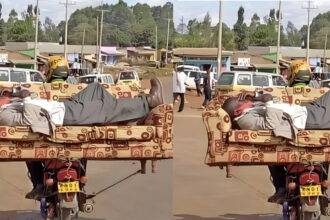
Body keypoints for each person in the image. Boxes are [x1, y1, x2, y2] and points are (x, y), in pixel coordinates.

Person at [222, 90, 330, 203]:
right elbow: (271, 124)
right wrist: (267, 102)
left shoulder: (249, 110)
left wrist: (257, 96)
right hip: (308, 119)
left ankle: (282, 188)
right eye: (242, 101)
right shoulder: (246, 120)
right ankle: (282, 189)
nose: (246, 100)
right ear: (237, 111)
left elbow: (272, 101)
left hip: (306, 110)